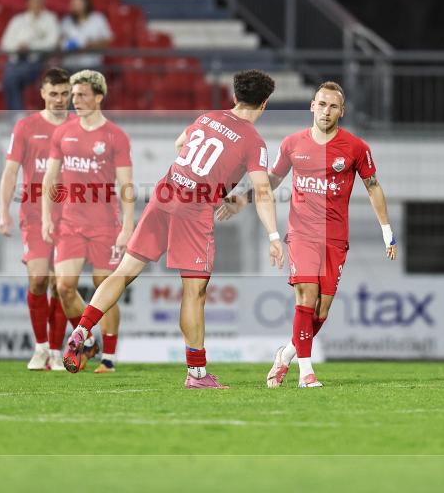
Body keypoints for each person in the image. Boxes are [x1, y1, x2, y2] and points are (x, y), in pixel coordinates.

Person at [64, 70, 283, 388]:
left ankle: (82, 329)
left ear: (234, 97)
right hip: (192, 211)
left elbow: (180, 144)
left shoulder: (208, 118)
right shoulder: (254, 141)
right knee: (194, 293)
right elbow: (263, 191)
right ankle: (196, 373)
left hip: (165, 193)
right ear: (264, 104)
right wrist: (274, 236)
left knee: (123, 272)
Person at [219, 81, 398, 388]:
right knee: (306, 295)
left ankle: (286, 354)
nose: (326, 111)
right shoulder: (292, 144)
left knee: (321, 309)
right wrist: (242, 199)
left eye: (333, 106)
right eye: (322, 104)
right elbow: (271, 180)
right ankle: (306, 373)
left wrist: (387, 231)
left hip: (336, 236)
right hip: (302, 232)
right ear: (311, 106)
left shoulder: (356, 148)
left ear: (341, 111)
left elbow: (373, 187)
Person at [42, 70, 134, 373]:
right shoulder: (63, 133)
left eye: (81, 94)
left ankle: (108, 357)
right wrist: (46, 218)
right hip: (70, 223)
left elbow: (126, 186)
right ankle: (88, 337)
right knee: (64, 287)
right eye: (73, 94)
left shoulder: (115, 136)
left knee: (103, 287)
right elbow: (50, 179)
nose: (74, 100)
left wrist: (128, 226)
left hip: (105, 225)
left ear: (98, 97)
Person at [0, 68, 74, 370]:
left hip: (71, 215)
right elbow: (10, 172)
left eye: (64, 93)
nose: (59, 99)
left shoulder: (79, 127)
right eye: (53, 93)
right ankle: (40, 346)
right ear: (42, 94)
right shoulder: (26, 127)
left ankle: (56, 351)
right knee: (39, 278)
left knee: (62, 284)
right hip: (33, 212)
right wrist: (3, 211)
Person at [0, 0, 60, 110]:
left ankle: (17, 117)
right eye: (35, 0)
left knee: (11, 78)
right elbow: (5, 43)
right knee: (9, 79)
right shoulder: (17, 20)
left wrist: (30, 47)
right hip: (15, 60)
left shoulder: (50, 19)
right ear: (28, 2)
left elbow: (52, 42)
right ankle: (16, 115)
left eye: (40, 0)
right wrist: (18, 47)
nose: (38, 3)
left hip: (36, 62)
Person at [59, 0, 113, 71]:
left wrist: (91, 45)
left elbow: (108, 39)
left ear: (86, 4)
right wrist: (65, 45)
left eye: (78, 3)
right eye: (73, 3)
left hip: (92, 65)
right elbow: (60, 41)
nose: (75, 6)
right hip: (70, 66)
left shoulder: (98, 19)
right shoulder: (66, 21)